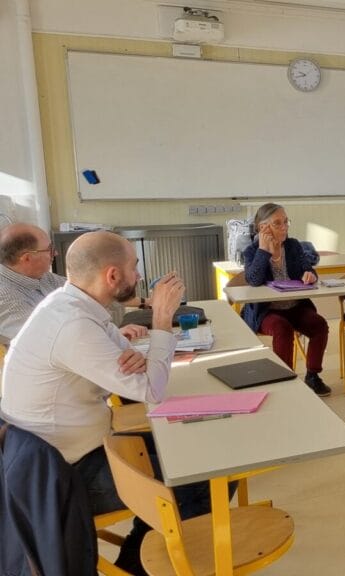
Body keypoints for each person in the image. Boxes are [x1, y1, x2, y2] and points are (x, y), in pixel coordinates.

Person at [0, 230, 209, 574]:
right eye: (134, 267)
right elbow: (150, 390)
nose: (138, 275)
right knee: (199, 478)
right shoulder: (73, 324)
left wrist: (140, 363)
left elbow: (130, 360)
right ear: (113, 275)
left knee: (196, 451)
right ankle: (152, 563)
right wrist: (161, 319)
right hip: (60, 477)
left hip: (78, 449)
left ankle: (136, 555)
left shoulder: (72, 304)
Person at [242, 203, 331, 397]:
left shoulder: (293, 246)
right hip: (267, 311)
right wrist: (264, 250)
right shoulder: (251, 251)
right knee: (282, 328)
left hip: (295, 306)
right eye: (277, 223)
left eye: (286, 222)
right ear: (263, 227)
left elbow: (310, 270)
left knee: (319, 325)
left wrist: (310, 275)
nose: (284, 227)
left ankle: (313, 376)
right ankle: (285, 381)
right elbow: (254, 280)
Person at [0, 223, 138, 342]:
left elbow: (90, 293)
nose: (55, 253)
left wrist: (145, 302)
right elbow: (52, 339)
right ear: (27, 258)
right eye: (49, 249)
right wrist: (110, 335)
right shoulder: (4, 296)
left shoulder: (43, 277)